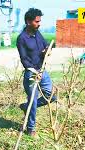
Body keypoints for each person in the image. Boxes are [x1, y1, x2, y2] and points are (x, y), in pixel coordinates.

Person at [16, 8, 56, 137]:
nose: (39, 23)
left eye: (39, 21)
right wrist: (34, 72)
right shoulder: (22, 38)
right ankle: (31, 128)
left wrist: (47, 51)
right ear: (28, 22)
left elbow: (45, 47)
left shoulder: (38, 33)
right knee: (33, 101)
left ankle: (26, 106)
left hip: (42, 70)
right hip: (31, 73)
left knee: (51, 96)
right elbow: (24, 59)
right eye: (36, 21)